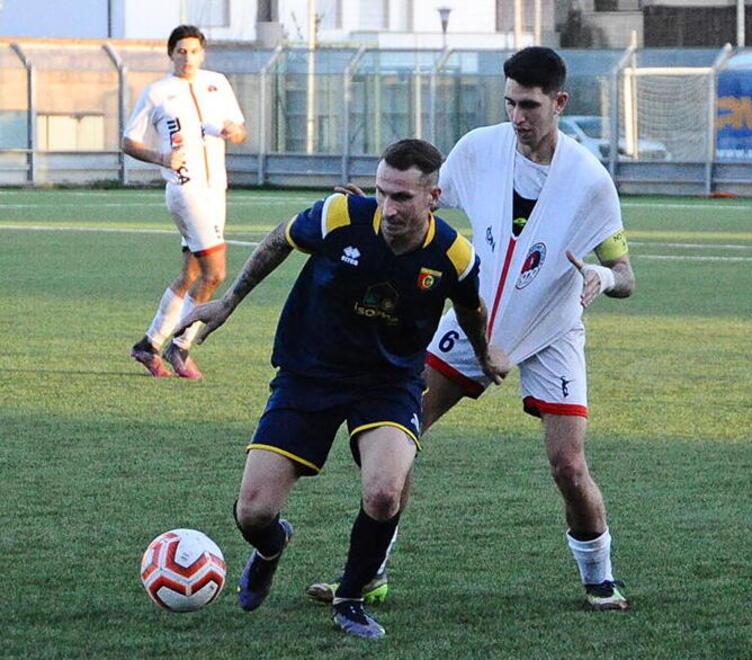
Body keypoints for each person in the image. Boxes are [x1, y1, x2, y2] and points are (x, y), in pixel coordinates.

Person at [307, 47, 636, 611]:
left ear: (559, 102)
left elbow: (627, 274)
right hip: (474, 321)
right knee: (394, 441)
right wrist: (370, 204)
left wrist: (601, 278)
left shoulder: (589, 180)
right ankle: (368, 575)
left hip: (552, 330)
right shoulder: (479, 149)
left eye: (529, 105)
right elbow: (418, 197)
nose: (517, 117)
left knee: (568, 465)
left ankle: (599, 577)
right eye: (509, 102)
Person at [174, 139, 510, 638]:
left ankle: (350, 599)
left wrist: (485, 355)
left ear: (433, 196)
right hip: (310, 370)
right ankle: (271, 545)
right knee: (254, 510)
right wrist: (228, 302)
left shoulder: (453, 253)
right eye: (382, 193)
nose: (389, 207)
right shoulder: (339, 216)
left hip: (388, 382)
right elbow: (278, 241)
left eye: (402, 197)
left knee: (383, 491)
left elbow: (469, 308)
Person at [123, 24, 246, 379]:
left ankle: (149, 345)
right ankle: (181, 345)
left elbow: (239, 130)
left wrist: (232, 132)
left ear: (202, 53)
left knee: (191, 273)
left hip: (215, 190)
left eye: (194, 51)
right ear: (171, 54)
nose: (188, 57)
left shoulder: (217, 82)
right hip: (185, 189)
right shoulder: (157, 92)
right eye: (181, 51)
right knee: (216, 272)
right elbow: (129, 141)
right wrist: (163, 158)